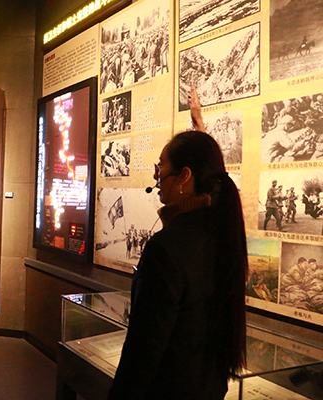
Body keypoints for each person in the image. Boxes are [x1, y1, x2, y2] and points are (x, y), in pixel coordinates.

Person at [109, 88, 248, 399]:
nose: (157, 176)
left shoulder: (167, 248)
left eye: (161, 167)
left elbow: (144, 349)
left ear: (184, 176)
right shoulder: (221, 236)